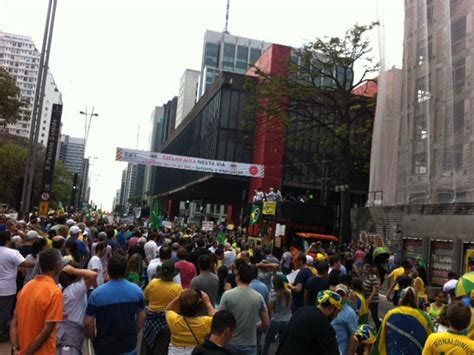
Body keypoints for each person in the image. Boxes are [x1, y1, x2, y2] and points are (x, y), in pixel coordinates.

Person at [84, 254, 146, 355]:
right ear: (125, 270)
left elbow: (88, 323)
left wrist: (94, 340)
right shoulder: (137, 291)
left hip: (104, 346)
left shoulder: (96, 294)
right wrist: (133, 334)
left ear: (108, 270)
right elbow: (142, 317)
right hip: (128, 345)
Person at [10, 249, 64, 355]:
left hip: (21, 350)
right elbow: (47, 330)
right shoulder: (55, 292)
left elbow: (14, 323)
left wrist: (15, 349)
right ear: (58, 266)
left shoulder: (26, 288)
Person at [220, 264, 270, 355]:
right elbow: (266, 323)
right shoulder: (258, 297)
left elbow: (220, 318)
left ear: (238, 277)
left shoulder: (227, 295)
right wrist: (253, 326)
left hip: (230, 341)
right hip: (249, 343)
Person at [277, 290, 342, 355]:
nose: (336, 316)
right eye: (337, 312)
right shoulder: (325, 326)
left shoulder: (301, 310)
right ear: (330, 308)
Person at [373, 287, 433, 354]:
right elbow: (433, 340)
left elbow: (380, 338)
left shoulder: (391, 314)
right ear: (416, 299)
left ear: (401, 298)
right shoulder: (424, 318)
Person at [143, 259, 183, 355]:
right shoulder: (178, 288)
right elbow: (180, 307)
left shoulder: (153, 283)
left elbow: (146, 300)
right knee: (161, 349)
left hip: (150, 321)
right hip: (166, 323)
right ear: (173, 274)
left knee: (147, 349)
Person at [0, 231, 34, 341]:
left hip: (7, 287)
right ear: (7, 241)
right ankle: (3, 332)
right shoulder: (12, 252)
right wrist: (38, 263)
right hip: (7, 288)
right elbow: (24, 264)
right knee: (5, 312)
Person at [57, 262, 98, 355]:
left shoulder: (59, 287)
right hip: (72, 333)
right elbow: (93, 275)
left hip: (60, 330)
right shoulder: (75, 289)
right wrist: (74, 271)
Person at [166, 289, 215, 354]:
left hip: (175, 351)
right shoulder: (204, 322)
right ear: (199, 306)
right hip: (195, 351)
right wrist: (207, 302)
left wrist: (179, 297)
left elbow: (168, 309)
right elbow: (215, 318)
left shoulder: (174, 320)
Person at [263, 275, 291, 355]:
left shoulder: (273, 295)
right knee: (283, 343)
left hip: (275, 321)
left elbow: (269, 309)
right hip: (287, 320)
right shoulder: (288, 293)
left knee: (267, 341)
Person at [331, 284, 358, 355]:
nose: (339, 296)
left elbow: (353, 335)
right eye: (337, 293)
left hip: (340, 350)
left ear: (346, 296)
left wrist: (350, 352)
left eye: (342, 294)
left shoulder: (350, 313)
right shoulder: (329, 308)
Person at [362, 265, 381, 329]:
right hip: (367, 299)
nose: (363, 270)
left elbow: (375, 289)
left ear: (368, 270)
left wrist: (369, 298)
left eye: (364, 269)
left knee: (374, 316)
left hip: (373, 300)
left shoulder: (373, 278)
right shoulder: (366, 277)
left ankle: (379, 327)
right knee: (366, 314)